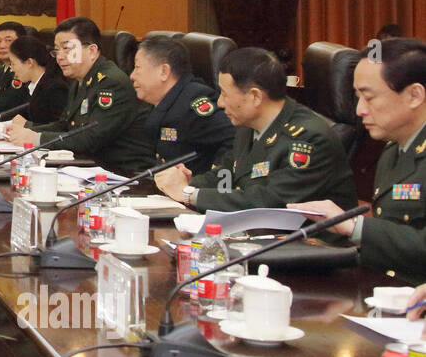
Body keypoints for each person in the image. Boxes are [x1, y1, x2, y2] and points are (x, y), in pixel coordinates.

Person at [154, 46, 357, 212]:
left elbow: (269, 201)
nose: (221, 103)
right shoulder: (248, 126)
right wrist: (187, 182)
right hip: (263, 237)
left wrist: (189, 194)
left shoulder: (308, 138)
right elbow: (226, 174)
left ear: (255, 97)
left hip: (314, 248)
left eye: (225, 94)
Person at [292, 38, 426, 282]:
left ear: (414, 95)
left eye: (369, 97)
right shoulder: (392, 150)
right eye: (357, 98)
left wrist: (353, 226)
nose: (359, 110)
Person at [4, 16, 155, 175]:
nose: (60, 57)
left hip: (123, 175)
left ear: (91, 51)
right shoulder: (79, 80)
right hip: (91, 167)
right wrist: (28, 129)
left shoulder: (111, 83)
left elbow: (91, 139)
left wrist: (37, 139)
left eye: (67, 48)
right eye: (57, 50)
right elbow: (67, 124)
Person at [129, 35, 235, 176]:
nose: (132, 76)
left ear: (164, 72)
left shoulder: (194, 104)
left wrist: (210, 184)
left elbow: (234, 140)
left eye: (137, 68)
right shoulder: (162, 102)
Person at [0, 34, 68, 125]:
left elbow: (58, 126)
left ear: (29, 62)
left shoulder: (55, 88)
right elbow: (25, 112)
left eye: (13, 64)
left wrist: (27, 125)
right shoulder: (35, 85)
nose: (12, 69)